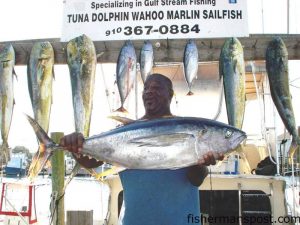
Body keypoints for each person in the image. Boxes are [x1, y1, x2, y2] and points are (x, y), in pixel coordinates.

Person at [60, 73, 224, 225]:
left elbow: (196, 179)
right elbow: (90, 163)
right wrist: (76, 147)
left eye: (157, 88)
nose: (149, 92)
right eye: (146, 88)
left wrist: (201, 162)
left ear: (170, 94)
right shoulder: (124, 132)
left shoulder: (187, 129)